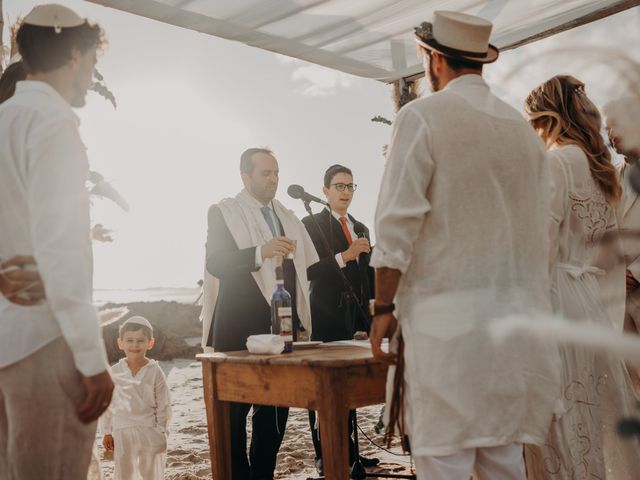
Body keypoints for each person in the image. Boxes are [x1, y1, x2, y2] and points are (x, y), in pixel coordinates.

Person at [368, 11, 561, 480]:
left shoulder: (422, 117)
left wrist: (382, 308)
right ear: (478, 61)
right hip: (513, 334)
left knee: (445, 463)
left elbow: (396, 227)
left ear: (434, 59)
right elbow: (543, 234)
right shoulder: (524, 134)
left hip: (446, 333)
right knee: (503, 464)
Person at [0, 5, 113, 479]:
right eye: (91, 61)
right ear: (73, 54)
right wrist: (92, 361)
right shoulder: (53, 123)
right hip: (44, 339)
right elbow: (62, 250)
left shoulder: (5, 117)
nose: (91, 76)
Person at [524, 75, 640, 479]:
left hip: (555, 297)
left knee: (560, 420)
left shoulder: (556, 163)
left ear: (548, 120)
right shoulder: (600, 169)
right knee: (590, 412)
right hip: (588, 301)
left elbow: (538, 243)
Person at [202, 147, 318, 479]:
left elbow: (303, 271)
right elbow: (217, 263)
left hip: (280, 327)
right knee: (234, 418)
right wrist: (260, 252)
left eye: (276, 173)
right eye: (266, 173)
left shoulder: (289, 217)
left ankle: (263, 474)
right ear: (245, 177)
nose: (273, 180)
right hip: (238, 327)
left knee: (274, 415)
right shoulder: (224, 212)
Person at [301, 164, 378, 475]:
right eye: (339, 186)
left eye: (350, 186)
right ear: (325, 191)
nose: (345, 192)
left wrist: (370, 316)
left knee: (349, 389)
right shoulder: (310, 224)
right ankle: (325, 456)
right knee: (324, 392)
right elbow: (308, 270)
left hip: (353, 314)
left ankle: (353, 455)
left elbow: (367, 275)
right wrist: (344, 256)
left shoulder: (361, 227)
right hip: (324, 313)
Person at [100, 316, 171, 480]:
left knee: (150, 473)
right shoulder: (115, 371)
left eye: (140, 340)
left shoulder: (155, 371)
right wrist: (106, 432)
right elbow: (108, 404)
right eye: (129, 340)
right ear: (121, 343)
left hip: (148, 429)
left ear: (150, 343)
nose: (134, 345)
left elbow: (164, 404)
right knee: (125, 473)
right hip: (121, 430)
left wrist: (161, 430)